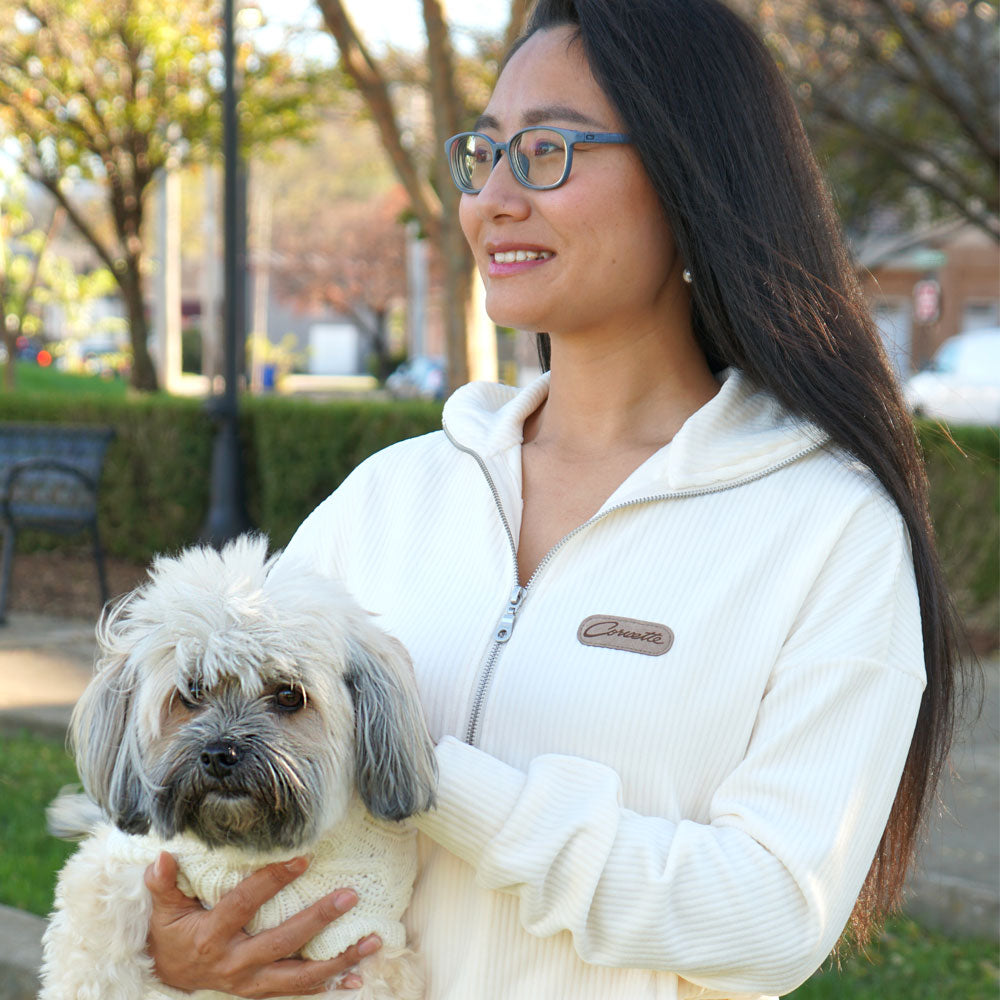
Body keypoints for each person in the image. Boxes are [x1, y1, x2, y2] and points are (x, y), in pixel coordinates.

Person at [143, 1, 967, 997]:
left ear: (688, 175)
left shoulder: (825, 529)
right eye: (483, 153)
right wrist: (172, 949)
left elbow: (772, 910)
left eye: (545, 151)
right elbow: (202, 801)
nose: (492, 196)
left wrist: (431, 776)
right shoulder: (392, 496)